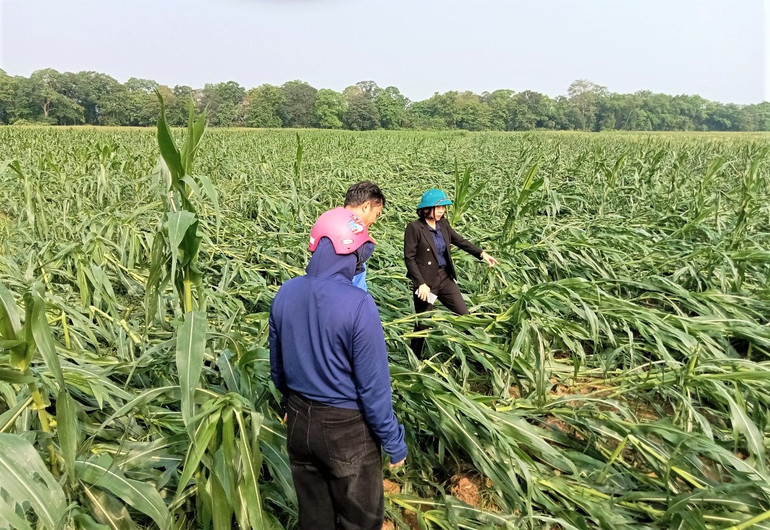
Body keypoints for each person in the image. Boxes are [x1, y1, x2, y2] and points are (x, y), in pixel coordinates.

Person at [270, 207, 407, 530]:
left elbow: (277, 368)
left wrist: (288, 405)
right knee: (359, 521)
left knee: (314, 518)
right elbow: (373, 388)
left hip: (300, 424)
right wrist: (394, 440)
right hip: (347, 430)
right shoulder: (358, 304)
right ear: (351, 252)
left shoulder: (286, 292)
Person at [403, 188, 498, 356]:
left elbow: (460, 241)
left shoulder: (443, 225)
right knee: (423, 323)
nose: (441, 211)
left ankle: (478, 353)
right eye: (438, 207)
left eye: (443, 208)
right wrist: (420, 283)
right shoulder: (415, 228)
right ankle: (415, 359)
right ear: (427, 208)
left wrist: (482, 254)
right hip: (427, 284)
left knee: (464, 315)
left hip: (445, 278)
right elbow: (409, 258)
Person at [342, 181, 386, 291]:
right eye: (376, 214)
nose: (374, 221)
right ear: (366, 207)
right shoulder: (355, 240)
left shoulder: (327, 225)